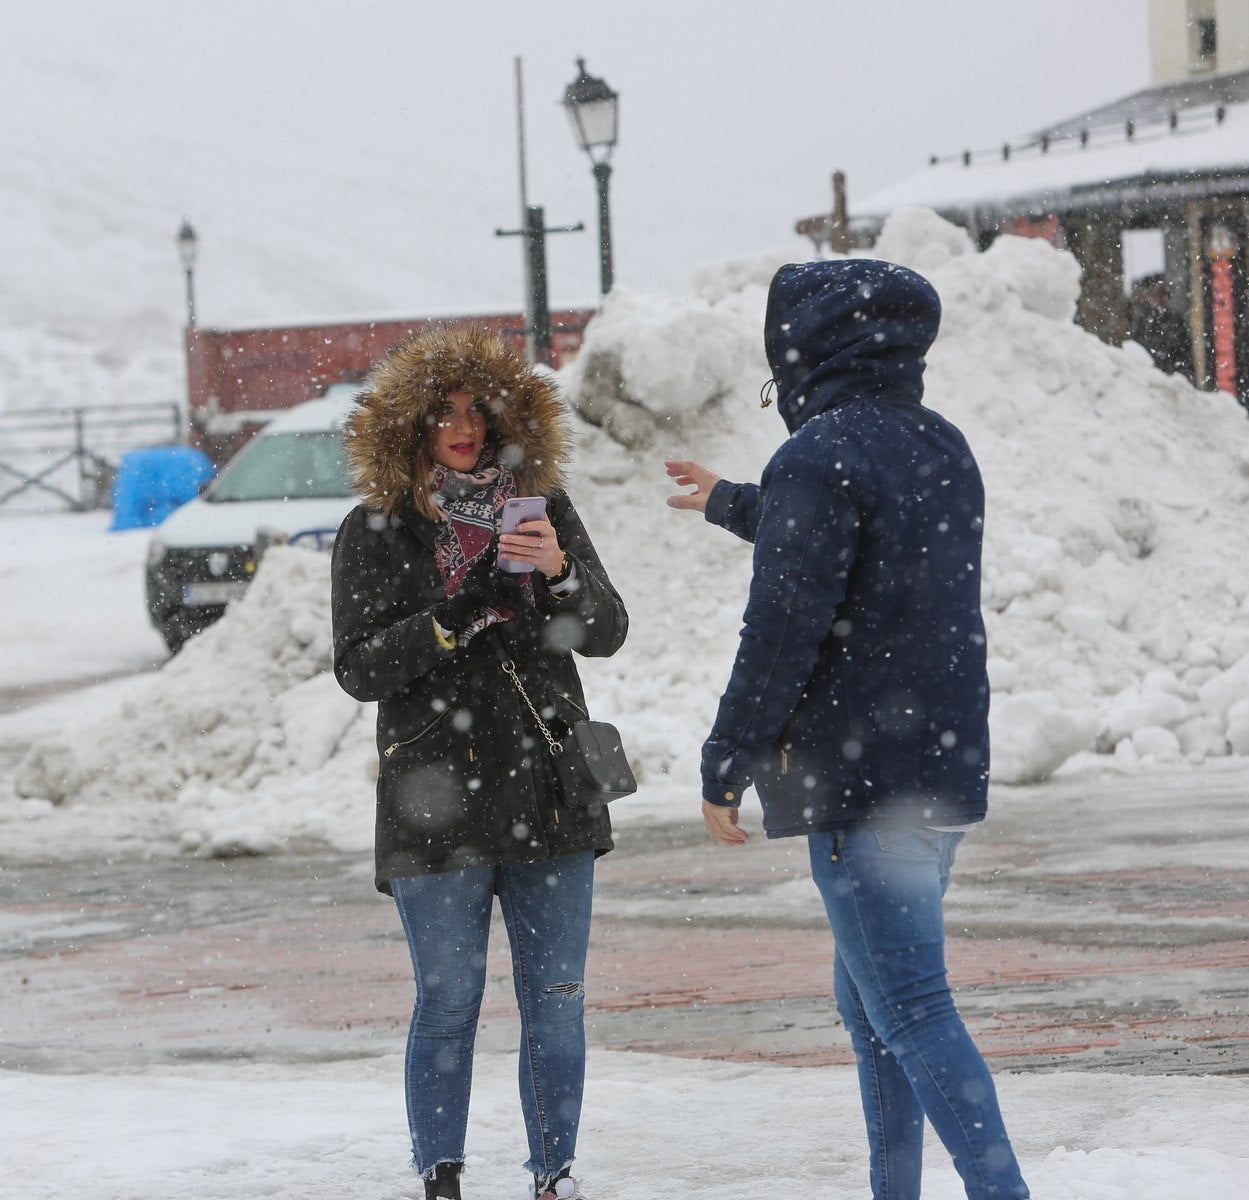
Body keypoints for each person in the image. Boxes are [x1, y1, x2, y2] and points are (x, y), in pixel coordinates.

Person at [666, 259, 1030, 1200]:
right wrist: (729, 500)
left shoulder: (817, 455)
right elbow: (856, 544)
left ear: (804, 357)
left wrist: (726, 758)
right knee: (873, 1004)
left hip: (861, 778)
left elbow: (785, 622)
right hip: (935, 766)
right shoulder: (937, 443)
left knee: (907, 1005)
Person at [331, 325, 627, 1200]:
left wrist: (561, 572)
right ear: (410, 428)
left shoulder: (542, 508)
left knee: (557, 1001)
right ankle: (442, 1178)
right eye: (442, 413)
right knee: (450, 1003)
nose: (461, 426)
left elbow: (605, 630)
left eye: (476, 410)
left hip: (550, 788)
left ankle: (554, 1175)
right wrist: (448, 617)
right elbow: (357, 667)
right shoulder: (376, 530)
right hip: (437, 802)